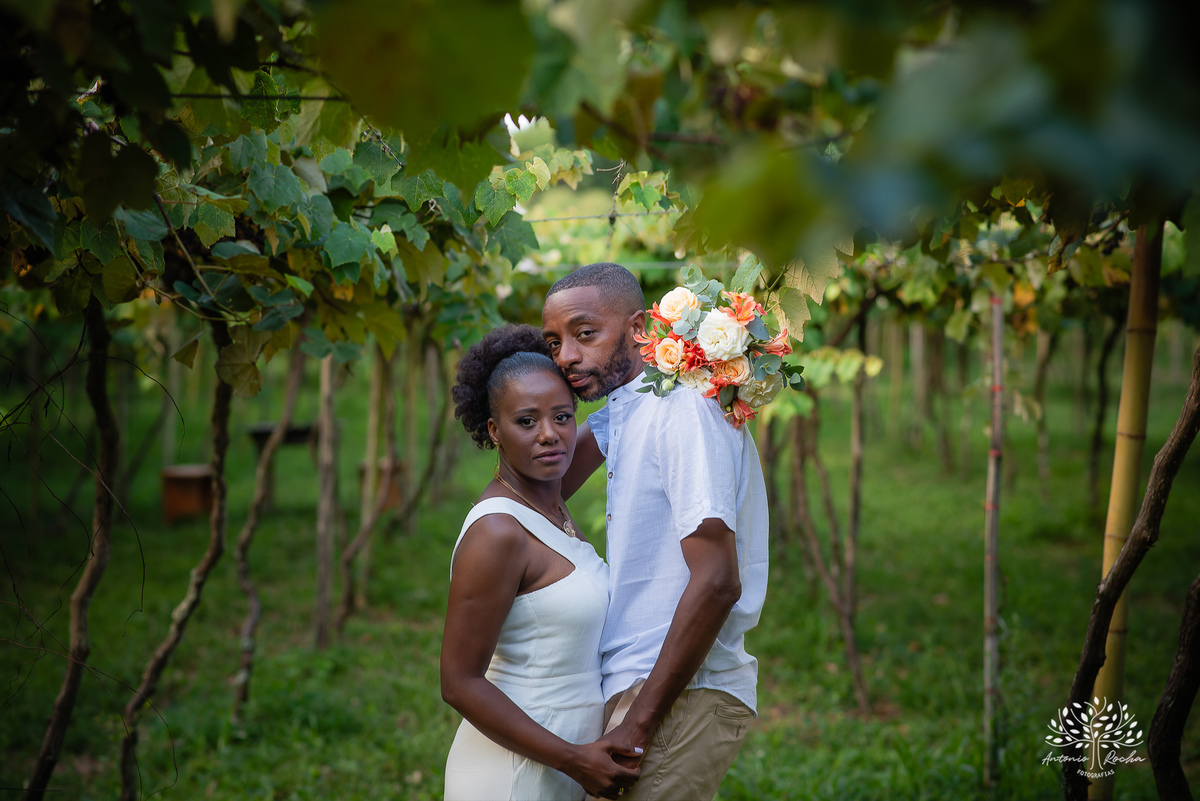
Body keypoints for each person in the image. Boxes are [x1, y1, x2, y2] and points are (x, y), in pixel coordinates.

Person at [542, 263, 768, 800]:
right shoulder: (631, 405)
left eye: (584, 333)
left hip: (678, 691)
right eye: (553, 343)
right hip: (644, 683)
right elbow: (537, 491)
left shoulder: (683, 409)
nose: (565, 356)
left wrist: (638, 724)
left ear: (640, 328)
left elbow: (717, 581)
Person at [441, 324, 641, 801]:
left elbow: (621, 412)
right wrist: (573, 759)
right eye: (526, 421)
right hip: (511, 773)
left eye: (562, 417)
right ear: (495, 430)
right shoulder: (498, 532)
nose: (549, 435)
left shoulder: (548, 499)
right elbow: (458, 683)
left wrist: (691, 357)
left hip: (567, 763)